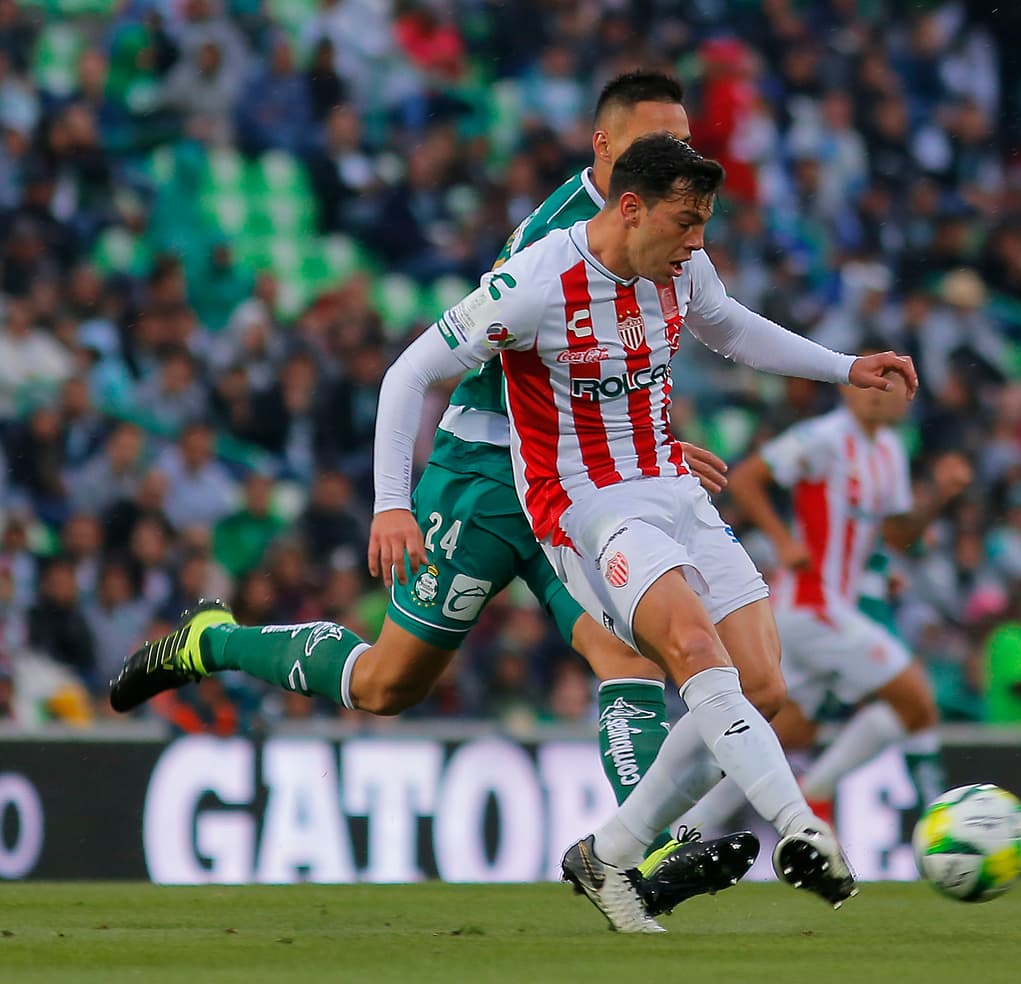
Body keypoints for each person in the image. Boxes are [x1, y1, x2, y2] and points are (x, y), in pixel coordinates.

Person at [110, 72, 754, 918]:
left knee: (626, 652)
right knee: (387, 684)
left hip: (577, 486)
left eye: (681, 145)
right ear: (604, 149)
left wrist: (656, 444)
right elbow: (445, 365)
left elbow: (616, 362)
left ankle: (653, 844)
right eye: (651, 147)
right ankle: (215, 641)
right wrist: (392, 498)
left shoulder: (659, 229)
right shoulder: (559, 241)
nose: (672, 164)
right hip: (486, 477)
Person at [370, 134, 912, 931]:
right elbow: (409, 372)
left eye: (704, 225)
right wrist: (393, 501)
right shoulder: (535, 283)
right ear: (632, 208)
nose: (697, 242)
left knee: (762, 685)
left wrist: (844, 367)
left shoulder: (680, 269)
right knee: (694, 651)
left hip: (674, 491)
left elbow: (728, 326)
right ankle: (802, 830)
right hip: (587, 508)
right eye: (686, 223)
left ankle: (610, 851)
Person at [679, 345, 970, 835]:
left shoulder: (890, 453)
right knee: (916, 699)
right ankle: (823, 797)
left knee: (786, 732)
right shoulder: (824, 438)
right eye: (872, 386)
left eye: (891, 390)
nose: (878, 398)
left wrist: (938, 497)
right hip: (811, 605)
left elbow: (895, 536)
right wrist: (783, 541)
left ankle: (691, 824)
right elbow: (748, 478)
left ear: (905, 402)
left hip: (830, 606)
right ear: (848, 389)